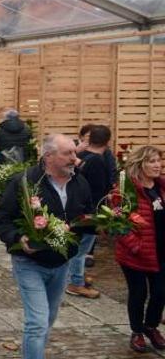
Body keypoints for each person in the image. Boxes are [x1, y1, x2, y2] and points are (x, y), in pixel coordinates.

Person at [0, 134, 92, 359]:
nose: (75, 158)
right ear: (49, 156)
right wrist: (18, 239)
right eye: (68, 153)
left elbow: (84, 214)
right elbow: (1, 219)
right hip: (30, 263)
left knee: (47, 320)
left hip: (61, 263)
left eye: (74, 152)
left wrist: (98, 224)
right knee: (37, 321)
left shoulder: (79, 182)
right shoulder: (25, 182)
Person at [114, 145, 165, 352]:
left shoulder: (161, 187)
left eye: (158, 160)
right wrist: (136, 245)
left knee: (161, 292)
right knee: (138, 293)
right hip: (135, 254)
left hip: (160, 251)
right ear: (139, 164)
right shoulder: (126, 190)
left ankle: (151, 326)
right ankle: (137, 332)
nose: (157, 165)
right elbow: (117, 223)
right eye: (151, 161)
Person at [67, 125, 113, 299]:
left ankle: (75, 276)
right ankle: (76, 283)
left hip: (75, 206)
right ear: (108, 141)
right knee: (80, 250)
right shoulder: (97, 161)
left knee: (77, 247)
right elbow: (99, 190)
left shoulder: (81, 155)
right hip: (89, 210)